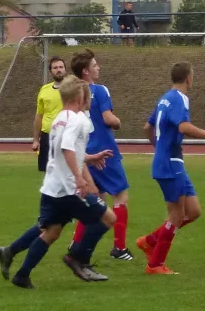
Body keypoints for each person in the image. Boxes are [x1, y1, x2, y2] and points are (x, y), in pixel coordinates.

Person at [0, 76, 116, 289]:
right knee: (107, 218)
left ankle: (21, 273)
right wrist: (80, 178)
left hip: (53, 186)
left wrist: (89, 158)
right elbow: (67, 149)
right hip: (68, 188)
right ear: (80, 97)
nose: (89, 98)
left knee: (51, 231)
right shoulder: (77, 119)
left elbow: (67, 150)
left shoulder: (60, 117)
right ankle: (78, 259)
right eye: (87, 95)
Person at [137, 62, 205, 274]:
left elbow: (148, 127)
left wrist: (159, 148)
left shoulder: (165, 98)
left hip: (172, 161)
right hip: (169, 164)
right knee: (176, 215)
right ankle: (155, 265)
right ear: (188, 78)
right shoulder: (179, 98)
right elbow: (183, 127)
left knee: (193, 212)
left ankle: (149, 241)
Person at [70, 49, 134, 261]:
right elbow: (108, 119)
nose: (99, 68)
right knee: (121, 196)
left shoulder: (72, 92)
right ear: (86, 71)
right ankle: (119, 248)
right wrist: (118, 121)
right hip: (104, 152)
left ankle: (75, 244)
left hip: (84, 153)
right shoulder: (99, 90)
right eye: (95, 65)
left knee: (93, 200)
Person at [32, 56, 66, 172]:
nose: (59, 70)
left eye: (61, 67)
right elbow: (39, 116)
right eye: (55, 67)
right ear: (50, 71)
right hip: (47, 136)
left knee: (65, 170)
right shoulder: (44, 90)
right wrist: (36, 139)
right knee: (48, 172)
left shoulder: (71, 88)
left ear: (65, 70)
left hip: (65, 135)